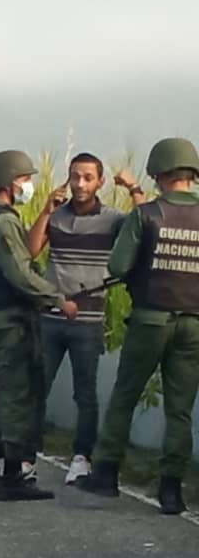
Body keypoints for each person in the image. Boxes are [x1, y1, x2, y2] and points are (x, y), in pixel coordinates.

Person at [74, 138, 199, 515]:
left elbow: (117, 266)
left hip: (149, 320)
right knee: (180, 409)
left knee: (125, 395)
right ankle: (171, 490)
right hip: (193, 325)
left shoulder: (146, 215)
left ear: (158, 173)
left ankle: (106, 473)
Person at [22, 153, 145, 485]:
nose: (80, 184)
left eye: (88, 178)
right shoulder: (57, 216)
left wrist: (133, 188)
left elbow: (144, 225)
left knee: (85, 393)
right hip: (51, 316)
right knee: (38, 388)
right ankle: (27, 457)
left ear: (99, 182)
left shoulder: (111, 219)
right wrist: (46, 211)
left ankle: (81, 458)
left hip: (88, 320)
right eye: (75, 176)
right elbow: (30, 251)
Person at [0, 150, 78, 501]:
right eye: (25, 179)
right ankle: (13, 475)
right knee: (19, 398)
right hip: (10, 321)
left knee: (14, 395)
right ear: (9, 182)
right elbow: (20, 272)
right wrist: (58, 299)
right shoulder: (1, 222)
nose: (28, 185)